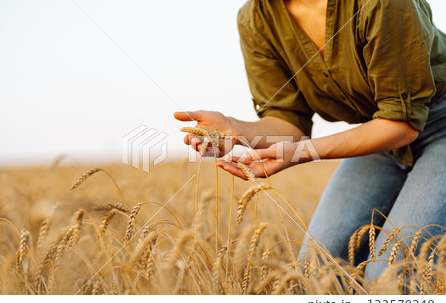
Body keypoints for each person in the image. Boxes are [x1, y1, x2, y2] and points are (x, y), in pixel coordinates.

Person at [174, 0, 446, 280]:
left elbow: (401, 123)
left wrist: (301, 153)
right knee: (316, 272)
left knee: (392, 275)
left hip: (436, 124)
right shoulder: (254, 18)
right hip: (377, 130)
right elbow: (288, 122)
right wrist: (236, 131)